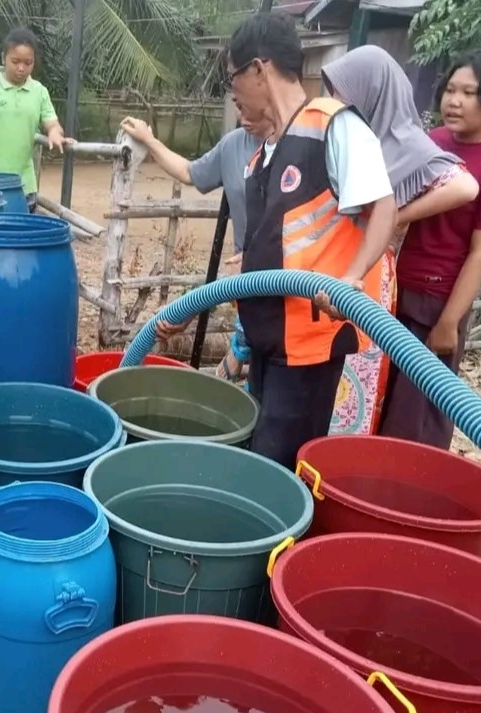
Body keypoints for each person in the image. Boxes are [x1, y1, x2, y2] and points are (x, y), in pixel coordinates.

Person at [161, 12, 398, 470]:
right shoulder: (264, 152)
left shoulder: (332, 125)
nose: (234, 94)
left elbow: (382, 207)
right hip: (270, 338)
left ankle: (288, 543)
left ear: (259, 69)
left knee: (281, 465)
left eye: (233, 78)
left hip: (309, 339)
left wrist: (351, 279)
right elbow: (277, 242)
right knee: (262, 456)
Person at [320, 45, 481, 436]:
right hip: (336, 265)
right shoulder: (352, 141)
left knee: (353, 380)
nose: (334, 102)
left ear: (371, 91)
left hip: (370, 276)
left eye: (342, 91)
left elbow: (466, 186)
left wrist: (395, 218)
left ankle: (340, 464)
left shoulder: (405, 144)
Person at [380, 48, 481, 449]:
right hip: (393, 290)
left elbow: (480, 254)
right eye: (450, 90)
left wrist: (448, 323)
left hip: (438, 302)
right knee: (380, 400)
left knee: (416, 416)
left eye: (469, 93)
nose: (453, 101)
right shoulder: (431, 142)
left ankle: (409, 500)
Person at [121, 106, 273, 382]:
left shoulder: (296, 146)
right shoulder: (234, 144)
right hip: (247, 285)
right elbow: (189, 172)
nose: (243, 116)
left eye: (249, 104)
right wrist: (149, 140)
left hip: (284, 280)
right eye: (237, 105)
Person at [0, 27, 72, 213]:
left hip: (23, 187)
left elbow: (52, 123)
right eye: (15, 61)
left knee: (19, 240)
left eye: (28, 63)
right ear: (3, 57)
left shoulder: (39, 91)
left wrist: (54, 132)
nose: (21, 68)